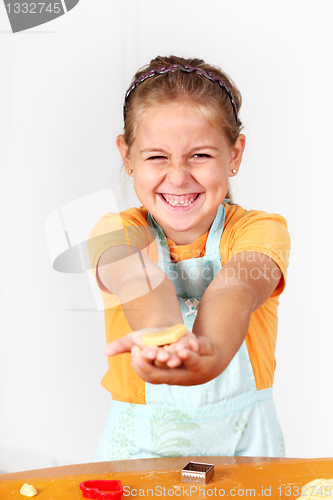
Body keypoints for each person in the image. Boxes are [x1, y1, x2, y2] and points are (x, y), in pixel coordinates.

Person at [87, 55, 291, 461]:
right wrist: (167, 339)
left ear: (234, 154)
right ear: (127, 156)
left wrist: (208, 352)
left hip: (246, 445)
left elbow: (237, 286)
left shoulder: (261, 230)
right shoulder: (114, 233)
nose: (178, 177)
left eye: (199, 155)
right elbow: (139, 278)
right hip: (137, 448)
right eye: (157, 157)